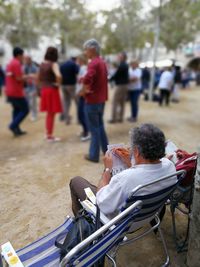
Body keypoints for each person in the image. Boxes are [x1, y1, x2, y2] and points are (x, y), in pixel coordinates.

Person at [69, 123, 177, 218]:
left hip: (119, 223)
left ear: (137, 152)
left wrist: (107, 170)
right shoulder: (170, 166)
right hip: (148, 215)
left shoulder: (124, 179)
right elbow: (146, 174)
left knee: (76, 181)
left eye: (132, 148)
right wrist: (130, 163)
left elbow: (101, 203)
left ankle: (84, 224)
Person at [81, 39, 109, 163]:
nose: (85, 52)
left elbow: (88, 77)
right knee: (100, 126)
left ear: (92, 49)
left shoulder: (93, 63)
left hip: (92, 100)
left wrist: (85, 88)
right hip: (101, 99)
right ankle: (106, 151)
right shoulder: (102, 62)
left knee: (94, 128)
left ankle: (93, 155)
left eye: (86, 49)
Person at [38, 46, 63, 142]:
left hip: (44, 89)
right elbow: (59, 75)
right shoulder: (53, 64)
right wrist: (58, 83)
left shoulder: (42, 64)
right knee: (51, 114)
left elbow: (39, 78)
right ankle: (49, 135)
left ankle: (48, 133)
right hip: (52, 90)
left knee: (49, 114)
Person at [5, 47, 29, 136]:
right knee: (25, 109)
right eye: (22, 55)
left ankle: (16, 130)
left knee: (17, 109)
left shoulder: (10, 63)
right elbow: (19, 78)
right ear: (19, 55)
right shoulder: (16, 63)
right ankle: (13, 125)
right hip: (16, 91)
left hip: (10, 91)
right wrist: (28, 76)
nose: (23, 56)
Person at [109, 52, 129, 123]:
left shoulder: (122, 65)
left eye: (119, 56)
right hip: (125, 85)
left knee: (115, 102)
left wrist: (108, 79)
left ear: (123, 57)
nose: (118, 57)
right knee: (122, 102)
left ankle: (113, 118)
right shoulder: (125, 65)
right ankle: (120, 118)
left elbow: (116, 75)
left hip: (120, 85)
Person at [60, 56, 79, 124]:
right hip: (71, 85)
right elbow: (77, 73)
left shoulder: (62, 65)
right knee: (78, 102)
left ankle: (66, 119)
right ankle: (79, 119)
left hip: (63, 85)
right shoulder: (73, 64)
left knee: (66, 103)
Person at [76, 54, 90, 141]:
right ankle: (85, 130)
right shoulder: (82, 68)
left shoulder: (84, 68)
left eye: (78, 60)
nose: (77, 62)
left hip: (83, 95)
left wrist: (82, 92)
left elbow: (85, 82)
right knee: (81, 114)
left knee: (82, 114)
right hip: (81, 94)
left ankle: (87, 132)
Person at [24, 56, 38, 121]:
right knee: (28, 103)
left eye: (26, 60)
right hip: (26, 87)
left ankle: (34, 115)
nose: (25, 61)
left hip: (33, 87)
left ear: (30, 60)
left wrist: (32, 76)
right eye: (25, 60)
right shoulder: (24, 67)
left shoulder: (34, 67)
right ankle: (32, 114)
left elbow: (38, 76)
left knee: (33, 102)